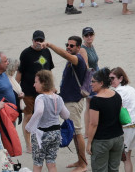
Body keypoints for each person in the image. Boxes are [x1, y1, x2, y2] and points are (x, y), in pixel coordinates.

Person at [49, 36, 91, 171]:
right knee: (74, 132)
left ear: (78, 48)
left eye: (72, 46)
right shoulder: (72, 61)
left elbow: (64, 54)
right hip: (69, 100)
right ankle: (80, 161)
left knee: (77, 132)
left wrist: (50, 45)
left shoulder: (77, 59)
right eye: (67, 44)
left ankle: (83, 164)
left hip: (74, 102)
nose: (69, 47)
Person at [18, 30, 55, 152]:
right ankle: (29, 144)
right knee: (28, 116)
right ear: (32, 40)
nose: (38, 43)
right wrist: (17, 89)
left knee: (44, 115)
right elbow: (20, 72)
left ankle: (42, 139)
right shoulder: (25, 53)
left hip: (44, 91)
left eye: (41, 40)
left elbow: (49, 70)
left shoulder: (47, 51)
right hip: (28, 90)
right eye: (36, 40)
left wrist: (52, 86)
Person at [25, 70, 69, 172]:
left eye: (36, 82)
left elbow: (39, 111)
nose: (34, 84)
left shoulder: (40, 97)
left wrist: (29, 126)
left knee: (38, 163)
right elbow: (66, 115)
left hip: (42, 134)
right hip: (56, 133)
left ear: (43, 83)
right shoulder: (58, 98)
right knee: (51, 162)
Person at [86, 69, 124, 172]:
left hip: (102, 140)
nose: (91, 84)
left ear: (101, 83)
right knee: (114, 169)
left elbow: (93, 123)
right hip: (117, 138)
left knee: (100, 169)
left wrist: (89, 142)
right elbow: (121, 116)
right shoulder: (116, 95)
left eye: (93, 81)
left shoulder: (96, 100)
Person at [109, 68, 135, 172]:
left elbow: (114, 111)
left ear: (120, 78)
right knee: (126, 157)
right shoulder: (131, 89)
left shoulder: (117, 92)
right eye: (109, 78)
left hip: (126, 127)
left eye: (112, 78)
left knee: (117, 157)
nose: (110, 81)